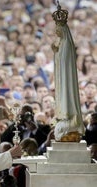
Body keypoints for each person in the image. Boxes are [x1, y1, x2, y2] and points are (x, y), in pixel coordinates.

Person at [51, 4, 85, 141]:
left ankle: (69, 118)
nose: (56, 32)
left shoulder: (67, 44)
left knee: (67, 94)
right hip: (62, 77)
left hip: (66, 79)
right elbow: (60, 61)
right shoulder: (62, 44)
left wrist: (58, 52)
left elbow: (65, 63)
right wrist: (56, 52)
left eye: (58, 29)